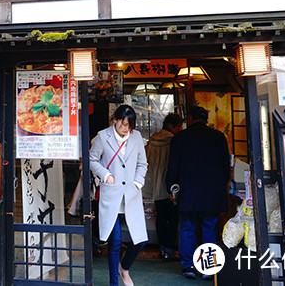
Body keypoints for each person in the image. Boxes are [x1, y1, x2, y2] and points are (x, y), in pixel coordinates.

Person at [166, 106, 231, 280]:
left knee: (188, 228)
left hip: (188, 192)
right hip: (212, 192)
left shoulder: (180, 138)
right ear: (206, 119)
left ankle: (188, 266)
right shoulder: (219, 137)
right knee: (210, 228)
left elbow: (173, 167)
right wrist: (222, 184)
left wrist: (171, 187)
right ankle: (208, 269)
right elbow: (226, 167)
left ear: (190, 118)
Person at [90, 105, 148, 286]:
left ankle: (124, 267)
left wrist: (138, 181)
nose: (126, 129)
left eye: (129, 125)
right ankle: (114, 282)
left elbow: (142, 163)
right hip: (111, 194)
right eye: (123, 124)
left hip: (131, 193)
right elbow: (92, 159)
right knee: (115, 242)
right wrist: (105, 174)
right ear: (115, 120)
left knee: (140, 240)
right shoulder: (102, 136)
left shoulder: (136, 137)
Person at [143, 113, 183, 261]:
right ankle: (169, 249)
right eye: (178, 126)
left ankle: (162, 249)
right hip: (171, 186)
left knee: (160, 218)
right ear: (171, 126)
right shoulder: (175, 142)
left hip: (156, 187)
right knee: (173, 218)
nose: (180, 129)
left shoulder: (152, 141)